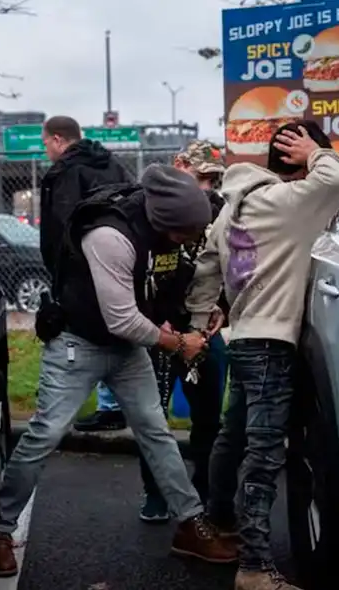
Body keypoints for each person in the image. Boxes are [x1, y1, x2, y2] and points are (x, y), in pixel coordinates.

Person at [0, 164, 238, 578]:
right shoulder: (110, 235)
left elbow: (164, 284)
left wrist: (191, 315)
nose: (192, 240)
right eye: (186, 234)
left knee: (156, 432)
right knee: (45, 433)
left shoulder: (165, 231)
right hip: (78, 342)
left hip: (127, 349)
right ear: (165, 223)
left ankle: (190, 524)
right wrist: (177, 343)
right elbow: (122, 319)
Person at [185, 121, 339, 590]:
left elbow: (204, 269)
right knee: (263, 455)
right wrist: (317, 152)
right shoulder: (290, 202)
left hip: (242, 339)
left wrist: (202, 320)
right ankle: (255, 568)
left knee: (232, 435)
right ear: (300, 160)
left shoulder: (230, 208)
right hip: (272, 344)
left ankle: (218, 521)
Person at [133, 140, 230, 523]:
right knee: (152, 417)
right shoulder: (150, 209)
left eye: (213, 179)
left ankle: (203, 491)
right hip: (161, 329)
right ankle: (155, 494)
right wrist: (156, 322)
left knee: (208, 417)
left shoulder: (221, 212)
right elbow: (138, 272)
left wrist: (222, 308)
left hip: (204, 328)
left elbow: (231, 267)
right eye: (201, 176)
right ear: (180, 165)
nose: (206, 186)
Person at [39, 115, 135, 432]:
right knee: (117, 330)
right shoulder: (112, 163)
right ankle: (117, 404)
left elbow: (60, 225)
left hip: (80, 270)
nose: (46, 151)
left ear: (57, 139)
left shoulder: (66, 172)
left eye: (45, 144)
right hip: (121, 259)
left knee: (81, 338)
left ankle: (80, 410)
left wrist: (59, 270)